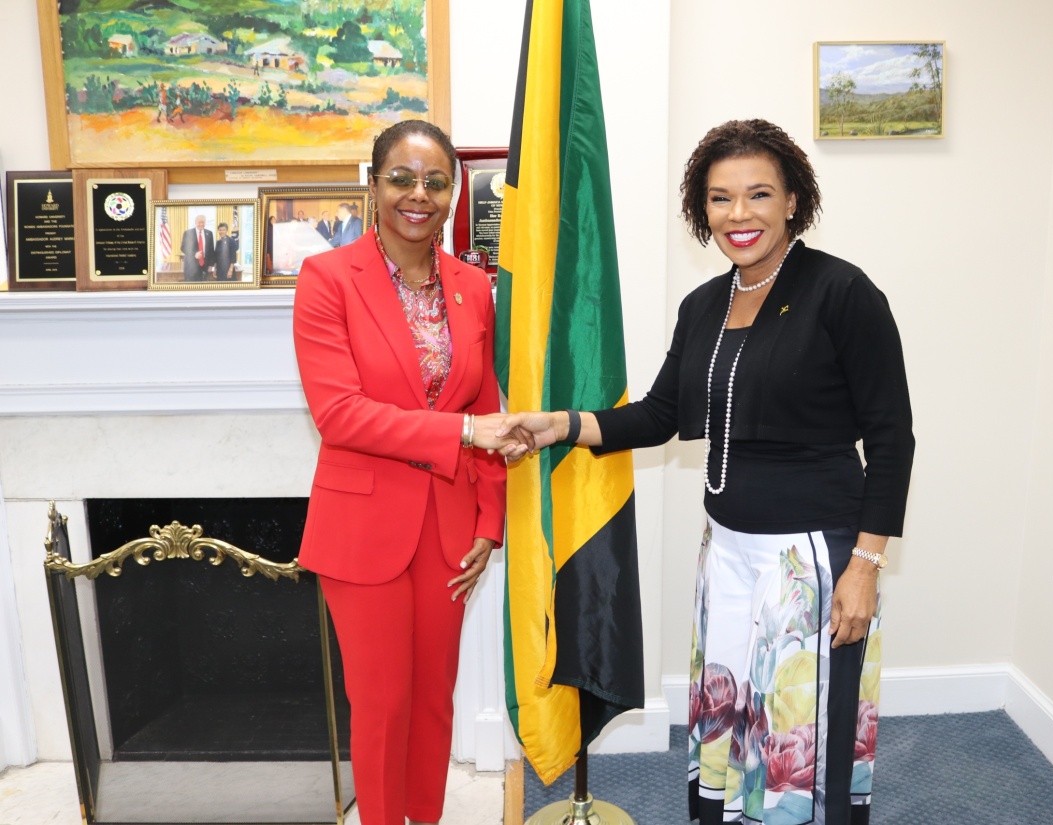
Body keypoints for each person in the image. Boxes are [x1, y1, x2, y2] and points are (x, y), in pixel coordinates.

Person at [498, 119, 914, 825]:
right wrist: (560, 425)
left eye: (758, 194)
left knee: (798, 741)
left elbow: (892, 438)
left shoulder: (843, 293)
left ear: (792, 201)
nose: (739, 215)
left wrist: (865, 565)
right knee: (731, 728)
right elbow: (658, 414)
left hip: (810, 560)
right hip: (724, 552)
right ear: (703, 211)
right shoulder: (704, 306)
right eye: (721, 199)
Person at [292, 119, 514, 825]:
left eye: (435, 181)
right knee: (383, 706)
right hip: (362, 534)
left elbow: (486, 405)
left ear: (452, 192)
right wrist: (464, 432)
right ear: (373, 184)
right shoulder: (327, 279)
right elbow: (342, 415)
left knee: (431, 701)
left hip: (449, 530)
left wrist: (489, 520)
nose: (419, 195)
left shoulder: (474, 287)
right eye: (402, 178)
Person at [180, 215, 214, 281]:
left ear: (205, 223)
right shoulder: (188, 233)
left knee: (202, 288)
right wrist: (194, 254)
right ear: (195, 223)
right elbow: (183, 247)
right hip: (191, 266)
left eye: (203, 222)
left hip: (204, 266)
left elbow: (211, 250)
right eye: (199, 222)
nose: (201, 224)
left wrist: (211, 264)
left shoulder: (209, 233)